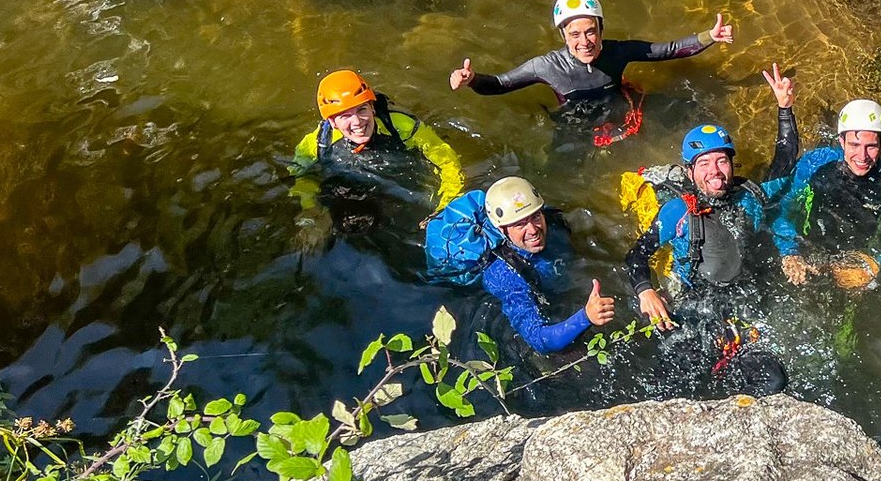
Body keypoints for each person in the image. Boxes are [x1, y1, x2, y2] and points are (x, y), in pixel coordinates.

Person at [620, 66, 798, 397]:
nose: (715, 171)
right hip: (693, 307)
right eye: (704, 164)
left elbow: (785, 165)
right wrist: (645, 291)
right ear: (690, 172)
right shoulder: (678, 211)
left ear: (732, 165)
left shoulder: (751, 197)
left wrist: (784, 109)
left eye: (722, 161)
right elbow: (636, 256)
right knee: (673, 384)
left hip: (742, 306)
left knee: (773, 382)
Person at [449, 0, 734, 146]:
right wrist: (472, 79)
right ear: (563, 36)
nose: (584, 42)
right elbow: (499, 85)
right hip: (577, 123)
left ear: (600, 28)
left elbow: (668, 50)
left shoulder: (617, 51)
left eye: (590, 32)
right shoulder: (546, 66)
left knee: (694, 110)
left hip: (621, 105)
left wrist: (710, 36)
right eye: (574, 34)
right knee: (564, 171)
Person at [771, 98, 881, 291]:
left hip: (858, 262)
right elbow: (782, 208)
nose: (862, 157)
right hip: (808, 249)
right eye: (854, 145)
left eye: (871, 146)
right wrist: (790, 251)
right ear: (841, 141)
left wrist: (876, 263)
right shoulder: (814, 163)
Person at [291, 71, 464, 243]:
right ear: (332, 122)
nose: (357, 122)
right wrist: (311, 208)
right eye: (345, 116)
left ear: (372, 107)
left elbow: (448, 162)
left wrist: (445, 207)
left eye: (362, 109)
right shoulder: (316, 143)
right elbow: (299, 175)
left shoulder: (402, 126)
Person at [479, 176, 616, 364]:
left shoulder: (556, 224)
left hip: (565, 294)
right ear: (503, 230)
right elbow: (538, 339)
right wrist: (586, 317)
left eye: (535, 217)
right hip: (539, 323)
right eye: (520, 224)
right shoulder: (504, 275)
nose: (533, 229)